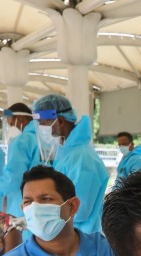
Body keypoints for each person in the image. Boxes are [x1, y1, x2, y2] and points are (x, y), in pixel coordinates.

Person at [32, 94, 109, 234]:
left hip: (81, 240)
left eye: (44, 123)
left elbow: (80, 210)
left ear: (60, 121)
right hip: (67, 236)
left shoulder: (82, 158)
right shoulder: (67, 154)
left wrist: (42, 214)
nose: (42, 128)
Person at [0, 103, 39, 218]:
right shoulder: (44, 139)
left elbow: (14, 177)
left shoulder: (21, 141)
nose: (10, 128)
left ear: (20, 120)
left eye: (11, 123)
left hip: (23, 208)